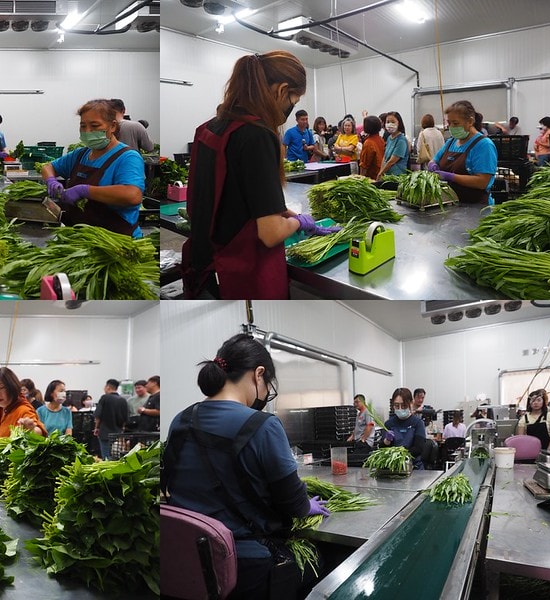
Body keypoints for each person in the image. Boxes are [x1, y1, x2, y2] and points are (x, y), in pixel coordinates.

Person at [162, 334, 328, 600]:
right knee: (320, 563)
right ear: (258, 374)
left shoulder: (180, 420)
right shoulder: (263, 425)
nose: (265, 394)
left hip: (188, 557)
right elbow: (291, 500)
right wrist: (307, 505)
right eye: (267, 384)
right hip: (246, 563)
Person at [181, 51, 339, 300]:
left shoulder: (209, 128)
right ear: (282, 90)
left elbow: (237, 198)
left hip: (205, 266)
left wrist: (290, 215)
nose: (290, 109)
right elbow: (270, 233)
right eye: (293, 101)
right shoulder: (257, 135)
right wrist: (300, 223)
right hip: (241, 273)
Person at [42, 99, 145, 238]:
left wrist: (84, 190)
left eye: (94, 125)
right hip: (83, 238)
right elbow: (48, 167)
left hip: (116, 241)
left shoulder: (128, 157)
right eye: (83, 126)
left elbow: (132, 195)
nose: (87, 131)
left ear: (113, 126)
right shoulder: (81, 154)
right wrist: (50, 180)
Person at [428, 100, 498, 204]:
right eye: (449, 123)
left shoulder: (483, 145)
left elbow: (482, 181)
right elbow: (434, 160)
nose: (451, 127)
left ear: (470, 121)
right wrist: (432, 165)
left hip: (475, 207)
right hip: (451, 204)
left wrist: (451, 177)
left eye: (455, 123)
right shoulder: (451, 142)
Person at [0, 367, 47, 438]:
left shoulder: (23, 409)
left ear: (12, 387)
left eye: (2, 388)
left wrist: (31, 430)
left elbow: (39, 431)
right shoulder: (3, 408)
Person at [382, 387, 426, 470]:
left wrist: (399, 454)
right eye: (396, 405)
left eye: (404, 405)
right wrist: (386, 441)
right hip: (393, 468)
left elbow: (419, 448)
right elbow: (382, 448)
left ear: (411, 403)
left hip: (414, 467)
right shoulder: (389, 424)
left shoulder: (418, 423)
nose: (400, 409)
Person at [93, 379, 129, 460]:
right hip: (118, 433)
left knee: (106, 455)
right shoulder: (123, 400)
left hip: (104, 432)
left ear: (108, 387)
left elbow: (98, 416)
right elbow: (125, 419)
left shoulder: (104, 398)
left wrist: (96, 428)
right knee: (117, 454)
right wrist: (121, 430)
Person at [376, 111, 409, 179]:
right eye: (387, 122)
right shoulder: (389, 138)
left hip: (397, 176)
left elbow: (392, 161)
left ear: (398, 123)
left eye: (393, 122)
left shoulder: (401, 140)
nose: (390, 124)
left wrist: (381, 173)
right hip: (387, 175)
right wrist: (381, 172)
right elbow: (385, 157)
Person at [358, 115, 384, 179]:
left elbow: (364, 164)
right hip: (381, 174)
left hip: (372, 177)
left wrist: (361, 179)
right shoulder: (381, 139)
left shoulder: (368, 143)